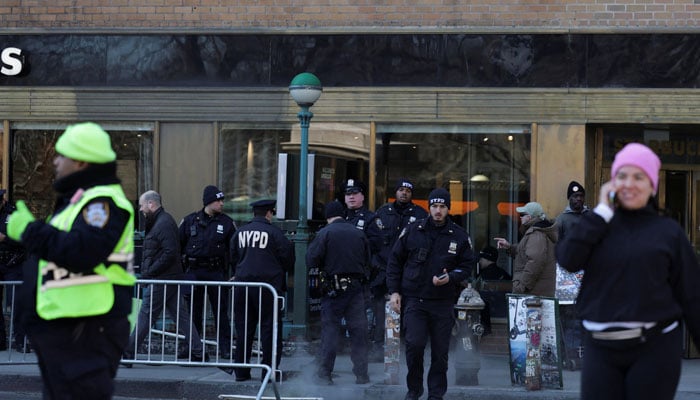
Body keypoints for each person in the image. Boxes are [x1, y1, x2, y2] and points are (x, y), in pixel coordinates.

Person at [556, 142, 700, 400]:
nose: (629, 183)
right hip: (600, 347)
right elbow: (568, 259)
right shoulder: (596, 224)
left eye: (638, 177)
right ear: (612, 184)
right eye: (622, 176)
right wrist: (600, 212)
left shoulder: (668, 232)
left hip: (654, 348)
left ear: (652, 185)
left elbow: (692, 296)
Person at [7, 122, 136, 399]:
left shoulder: (102, 202)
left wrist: (29, 231)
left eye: (61, 155)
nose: (54, 161)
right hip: (71, 328)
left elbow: (82, 252)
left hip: (87, 327)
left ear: (79, 162)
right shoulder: (80, 200)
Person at [386, 188, 474, 400]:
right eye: (434, 206)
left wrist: (451, 277)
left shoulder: (459, 235)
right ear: (429, 207)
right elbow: (395, 261)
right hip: (415, 300)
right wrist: (394, 292)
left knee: (440, 353)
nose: (438, 211)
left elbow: (468, 266)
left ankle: (436, 395)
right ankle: (414, 391)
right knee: (414, 346)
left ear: (448, 208)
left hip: (442, 302)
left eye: (442, 207)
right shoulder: (413, 230)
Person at [124, 191, 206, 362]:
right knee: (180, 315)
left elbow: (170, 252)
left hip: (162, 278)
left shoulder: (163, 223)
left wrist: (151, 272)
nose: (140, 209)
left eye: (142, 205)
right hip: (167, 277)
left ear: (151, 204)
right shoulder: (161, 221)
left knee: (146, 314)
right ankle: (198, 352)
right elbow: (167, 252)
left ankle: (129, 351)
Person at [307, 200, 371, 385]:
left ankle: (325, 374)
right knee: (359, 331)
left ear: (328, 217)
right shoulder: (358, 233)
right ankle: (361, 374)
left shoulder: (325, 233)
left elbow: (311, 260)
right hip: (356, 290)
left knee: (330, 332)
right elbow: (369, 260)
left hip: (333, 291)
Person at [230, 199, 294, 382]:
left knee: (243, 328)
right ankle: (269, 372)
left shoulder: (241, 232)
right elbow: (288, 259)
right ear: (268, 213)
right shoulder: (275, 233)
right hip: (268, 288)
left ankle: (241, 371)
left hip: (243, 286)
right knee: (270, 329)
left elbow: (233, 257)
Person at [366, 178, 427, 361]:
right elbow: (370, 243)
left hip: (408, 272)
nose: (404, 193)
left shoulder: (420, 214)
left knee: (408, 312)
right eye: (401, 189)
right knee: (380, 313)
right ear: (395, 192)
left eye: (408, 191)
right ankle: (379, 349)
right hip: (382, 271)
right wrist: (375, 264)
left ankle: (404, 349)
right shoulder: (383, 213)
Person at [179, 185, 236, 358]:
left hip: (216, 271)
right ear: (208, 202)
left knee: (221, 312)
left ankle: (225, 348)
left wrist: (234, 273)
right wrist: (180, 273)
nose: (221, 204)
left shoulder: (226, 222)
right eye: (218, 200)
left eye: (222, 200)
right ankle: (193, 348)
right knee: (193, 312)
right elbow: (177, 246)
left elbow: (234, 250)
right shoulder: (189, 221)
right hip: (193, 271)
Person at [555, 180, 589, 369]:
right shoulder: (562, 220)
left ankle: (586, 356)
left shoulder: (590, 216)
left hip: (589, 277)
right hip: (568, 279)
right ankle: (573, 357)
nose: (578, 199)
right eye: (575, 196)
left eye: (581, 196)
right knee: (570, 320)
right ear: (569, 198)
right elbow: (556, 246)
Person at [494, 201, 557, 297]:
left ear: (530, 217)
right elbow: (526, 254)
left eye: (523, 214)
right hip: (535, 293)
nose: (520, 217)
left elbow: (535, 262)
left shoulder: (536, 234)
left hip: (533, 295)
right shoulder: (536, 232)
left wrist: (522, 286)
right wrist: (509, 247)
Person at [0, 189, 28, 353]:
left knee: (16, 303)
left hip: (13, 263)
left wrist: (5, 238)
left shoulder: (14, 214)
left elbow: (25, 237)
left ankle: (21, 341)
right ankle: (1, 342)